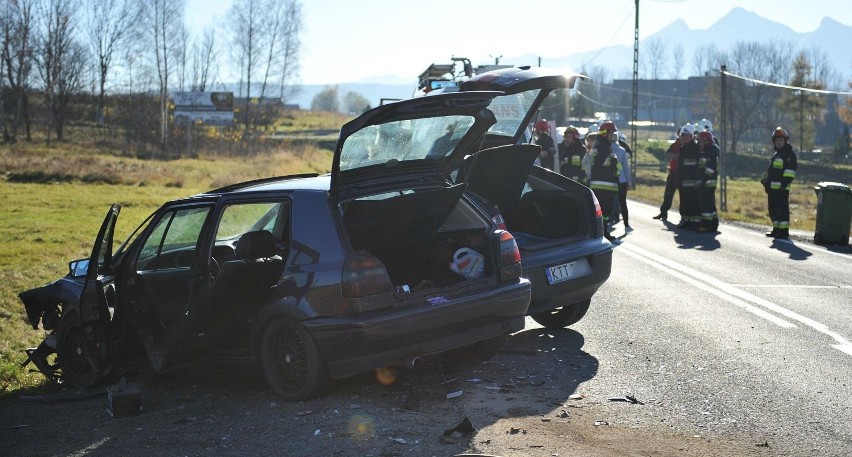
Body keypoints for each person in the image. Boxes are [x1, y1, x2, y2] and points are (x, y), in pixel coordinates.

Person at [762, 127, 797, 239]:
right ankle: (776, 229)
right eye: (776, 140)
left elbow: (790, 173)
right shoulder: (776, 155)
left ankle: (783, 232)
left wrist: (783, 186)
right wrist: (765, 181)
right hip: (772, 189)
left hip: (781, 190)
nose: (778, 142)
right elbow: (771, 172)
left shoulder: (789, 154)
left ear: (785, 141)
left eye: (780, 140)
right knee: (773, 210)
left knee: (781, 210)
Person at [589, 121, 620, 241]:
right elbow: (605, 163)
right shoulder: (603, 146)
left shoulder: (600, 144)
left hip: (600, 184)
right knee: (605, 211)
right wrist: (613, 160)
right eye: (611, 132)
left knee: (603, 211)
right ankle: (603, 233)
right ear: (605, 133)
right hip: (604, 185)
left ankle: (601, 232)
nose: (613, 135)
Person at [676, 124, 701, 230]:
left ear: (692, 136)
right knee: (684, 202)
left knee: (693, 202)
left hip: (691, 181)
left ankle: (693, 222)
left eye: (688, 135)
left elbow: (695, 166)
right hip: (682, 181)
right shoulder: (683, 148)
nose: (686, 137)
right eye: (684, 135)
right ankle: (685, 220)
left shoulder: (695, 148)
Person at [654, 127, 682, 221]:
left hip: (684, 174)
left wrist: (676, 156)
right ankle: (663, 213)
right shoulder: (675, 145)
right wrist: (677, 156)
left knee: (684, 196)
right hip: (673, 173)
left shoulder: (689, 146)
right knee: (668, 193)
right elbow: (668, 154)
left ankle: (685, 217)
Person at [696, 130, 719, 232]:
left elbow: (710, 169)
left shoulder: (711, 152)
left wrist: (703, 180)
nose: (699, 144)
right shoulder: (706, 151)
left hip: (708, 183)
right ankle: (714, 223)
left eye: (701, 141)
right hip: (706, 182)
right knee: (710, 204)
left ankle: (707, 225)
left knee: (706, 204)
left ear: (707, 141)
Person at [611, 129, 632, 230]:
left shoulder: (606, 150)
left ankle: (609, 221)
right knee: (623, 202)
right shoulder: (622, 151)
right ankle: (626, 224)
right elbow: (626, 168)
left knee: (610, 201)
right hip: (622, 180)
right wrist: (629, 181)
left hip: (610, 180)